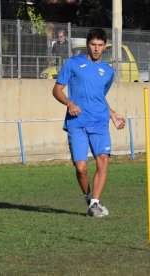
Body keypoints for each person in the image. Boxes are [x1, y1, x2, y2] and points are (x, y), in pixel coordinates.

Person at [52, 28, 126, 217]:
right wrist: (69, 103)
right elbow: (57, 90)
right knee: (81, 168)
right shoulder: (73, 64)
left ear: (104, 47)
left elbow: (99, 97)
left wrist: (113, 115)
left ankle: (94, 203)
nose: (96, 49)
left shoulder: (108, 71)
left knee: (103, 160)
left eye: (100, 45)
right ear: (87, 44)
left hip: (100, 123)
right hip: (77, 123)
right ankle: (87, 195)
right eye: (93, 45)